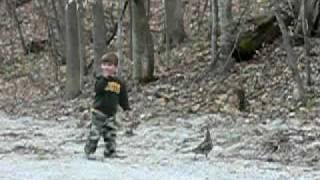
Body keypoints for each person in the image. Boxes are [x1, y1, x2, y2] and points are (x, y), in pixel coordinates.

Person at [84, 52, 130, 158]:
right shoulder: (100, 79)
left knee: (111, 134)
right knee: (94, 134)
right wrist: (105, 78)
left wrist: (126, 107)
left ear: (115, 67)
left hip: (111, 114)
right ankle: (89, 151)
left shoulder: (119, 82)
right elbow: (98, 89)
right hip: (98, 112)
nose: (106, 67)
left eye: (109, 65)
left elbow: (123, 96)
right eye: (104, 65)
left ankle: (110, 151)